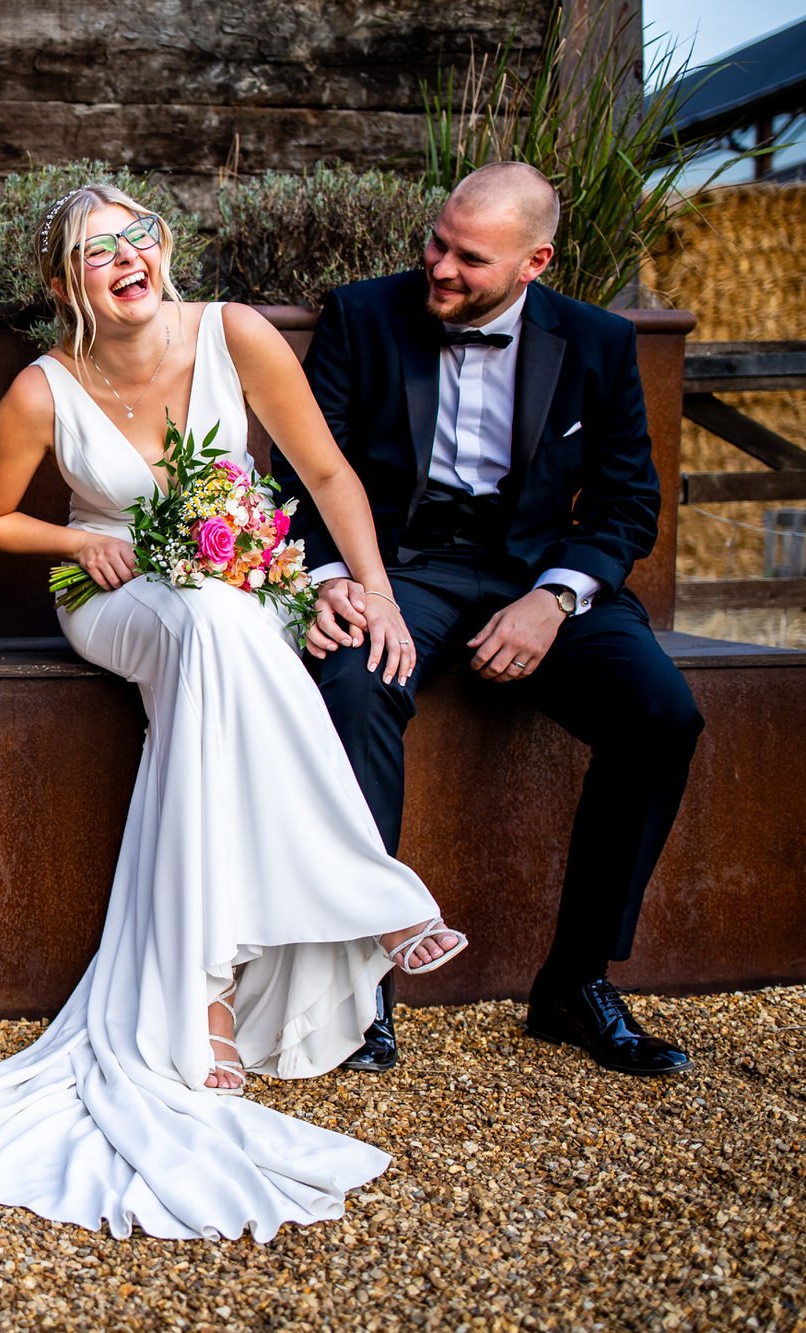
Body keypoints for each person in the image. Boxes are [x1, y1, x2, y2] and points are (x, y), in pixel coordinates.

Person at [0, 183, 467, 1242]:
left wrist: (364, 589)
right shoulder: (42, 389)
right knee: (206, 624)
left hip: (232, 592)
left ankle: (203, 991)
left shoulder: (234, 333)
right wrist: (76, 539)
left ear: (163, 245)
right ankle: (370, 886)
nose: (127, 257)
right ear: (61, 284)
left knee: (219, 631)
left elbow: (321, 470)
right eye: (96, 250)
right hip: (117, 603)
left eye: (138, 235)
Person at [278, 161, 702, 1078]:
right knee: (353, 685)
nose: (440, 268)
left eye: (470, 258)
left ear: (534, 261)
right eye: (437, 242)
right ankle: (363, 986)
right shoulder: (362, 313)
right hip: (398, 569)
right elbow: (309, 473)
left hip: (534, 574)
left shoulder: (596, 340)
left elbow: (628, 504)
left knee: (662, 714)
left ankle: (575, 980)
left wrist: (555, 600)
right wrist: (329, 578)